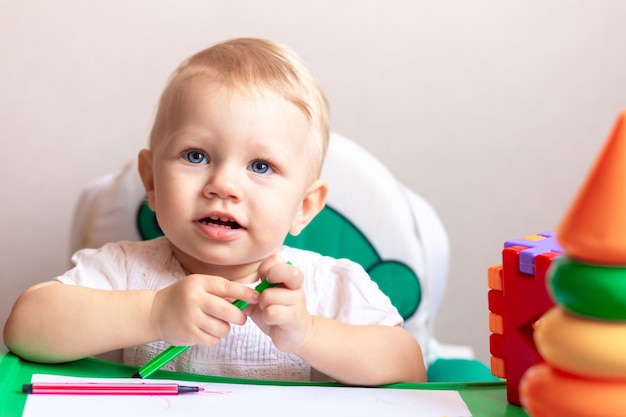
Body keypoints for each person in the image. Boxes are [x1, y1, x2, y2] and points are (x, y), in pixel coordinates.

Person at [3, 38, 426, 385]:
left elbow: (408, 366)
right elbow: (24, 329)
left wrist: (310, 334)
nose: (223, 185)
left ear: (304, 207)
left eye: (261, 166)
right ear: (150, 182)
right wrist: (153, 313)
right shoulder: (122, 271)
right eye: (196, 155)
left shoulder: (327, 289)